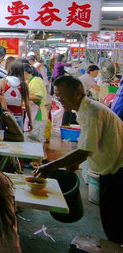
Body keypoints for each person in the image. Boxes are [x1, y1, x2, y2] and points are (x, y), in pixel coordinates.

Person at [35, 75, 123, 244]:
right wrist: (75, 162)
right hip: (111, 168)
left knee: (114, 223)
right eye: (57, 96)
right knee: (113, 220)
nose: (60, 100)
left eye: (62, 96)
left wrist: (50, 166)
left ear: (78, 92)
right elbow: (90, 144)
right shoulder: (85, 110)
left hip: (118, 171)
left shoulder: (92, 112)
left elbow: (84, 150)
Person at [0, 60, 32, 130]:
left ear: (10, 69)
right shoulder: (24, 85)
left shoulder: (3, 81)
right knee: (17, 138)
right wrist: (30, 121)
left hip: (4, 116)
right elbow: (27, 104)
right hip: (18, 117)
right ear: (21, 71)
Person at [25, 63, 48, 142]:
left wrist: (23, 95)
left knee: (35, 141)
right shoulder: (32, 80)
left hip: (38, 115)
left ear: (25, 72)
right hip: (36, 114)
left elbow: (38, 97)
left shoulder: (35, 81)